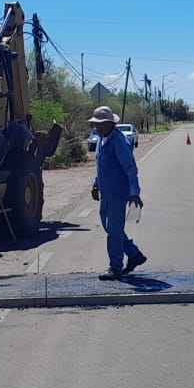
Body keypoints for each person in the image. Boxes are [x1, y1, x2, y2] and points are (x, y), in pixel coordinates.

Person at [88, 105, 146, 280]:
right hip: (106, 193)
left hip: (118, 194)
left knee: (114, 230)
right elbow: (101, 166)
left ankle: (115, 267)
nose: (97, 127)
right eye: (96, 124)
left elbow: (130, 168)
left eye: (101, 124)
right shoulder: (101, 139)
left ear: (110, 124)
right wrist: (96, 184)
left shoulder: (119, 141)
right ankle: (134, 254)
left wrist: (134, 193)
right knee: (109, 226)